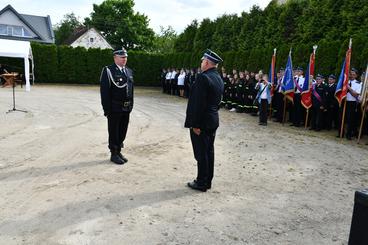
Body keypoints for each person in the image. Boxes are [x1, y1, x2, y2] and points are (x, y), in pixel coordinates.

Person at [184, 49, 224, 192]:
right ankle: (207, 180)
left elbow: (198, 104)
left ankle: (201, 182)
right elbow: (218, 101)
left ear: (206, 62)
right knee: (209, 151)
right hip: (212, 120)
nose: (201, 63)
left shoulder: (203, 78)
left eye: (202, 60)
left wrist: (195, 124)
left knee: (201, 153)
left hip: (202, 123)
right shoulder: (218, 77)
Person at [100, 47, 134, 165]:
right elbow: (104, 92)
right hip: (114, 107)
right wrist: (106, 109)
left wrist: (131, 105)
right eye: (122, 57)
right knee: (114, 130)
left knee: (123, 130)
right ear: (115, 57)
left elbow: (131, 90)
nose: (124, 59)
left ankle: (119, 150)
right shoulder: (108, 71)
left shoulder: (129, 71)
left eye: (125, 57)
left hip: (126, 107)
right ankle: (113, 153)